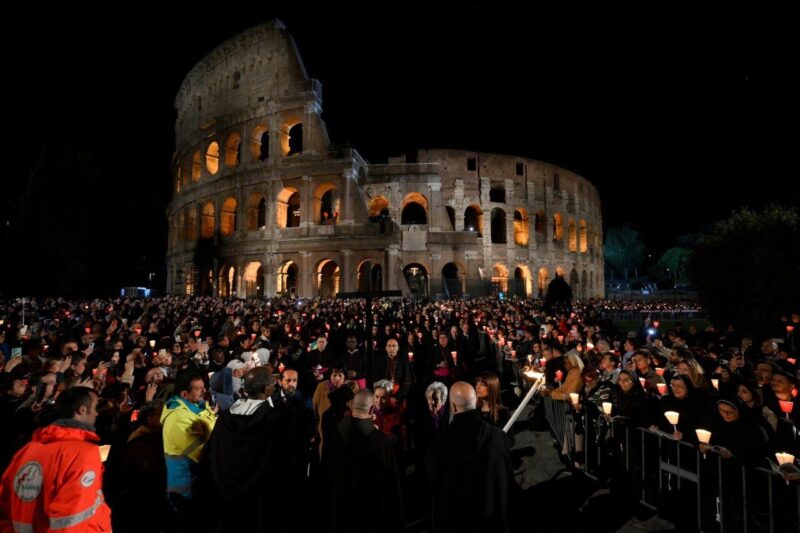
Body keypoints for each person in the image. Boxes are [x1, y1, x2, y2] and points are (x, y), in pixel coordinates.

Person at [0, 386, 112, 532]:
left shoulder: (28, 449)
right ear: (82, 410)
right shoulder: (84, 454)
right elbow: (71, 519)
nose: (97, 413)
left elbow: (4, 505)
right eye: (96, 407)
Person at [205, 367, 289, 531]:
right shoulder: (274, 420)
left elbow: (213, 456)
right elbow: (281, 463)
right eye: (273, 383)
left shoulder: (224, 419)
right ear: (266, 390)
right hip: (259, 500)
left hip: (228, 497)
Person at [426, 382, 514, 533]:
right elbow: (507, 475)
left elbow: (432, 482)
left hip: (455, 518)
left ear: (453, 407)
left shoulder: (441, 442)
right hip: (489, 515)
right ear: (475, 402)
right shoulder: (498, 437)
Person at [330, 389, 404, 533]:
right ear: (371, 409)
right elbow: (392, 485)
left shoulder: (334, 434)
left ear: (352, 406)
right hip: (371, 513)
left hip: (340, 510)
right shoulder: (380, 442)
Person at [161, 370, 217, 529]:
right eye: (199, 388)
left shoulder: (198, 408)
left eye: (203, 386)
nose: (204, 391)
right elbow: (203, 453)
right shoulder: (177, 419)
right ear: (185, 394)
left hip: (199, 486)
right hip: (186, 491)